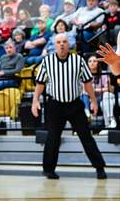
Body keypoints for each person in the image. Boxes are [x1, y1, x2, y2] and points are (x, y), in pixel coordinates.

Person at [32, 33, 107, 179]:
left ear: (69, 44)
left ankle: (99, 167)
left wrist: (93, 100)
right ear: (54, 45)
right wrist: (35, 100)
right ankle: (49, 169)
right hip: (55, 105)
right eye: (58, 42)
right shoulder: (47, 61)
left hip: (74, 104)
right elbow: (40, 83)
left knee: (86, 137)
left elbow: (87, 82)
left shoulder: (78, 60)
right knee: (52, 138)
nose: (61, 44)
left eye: (64, 42)